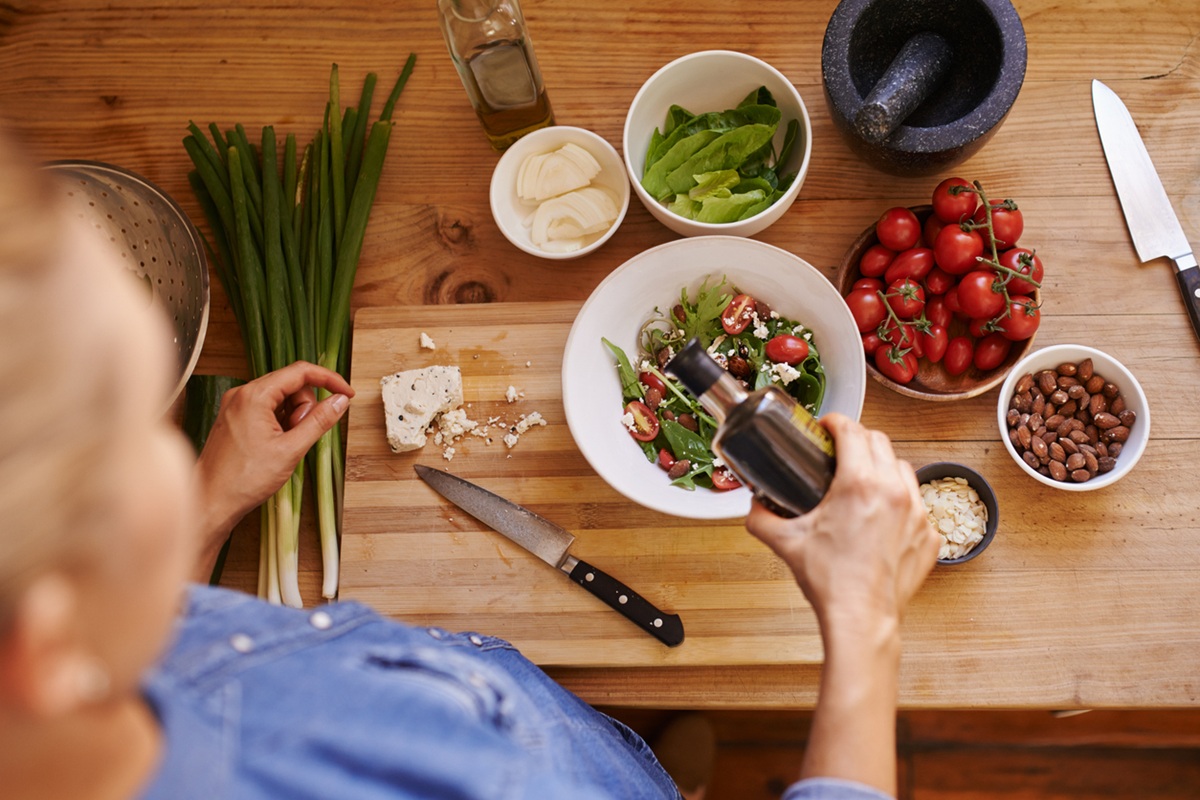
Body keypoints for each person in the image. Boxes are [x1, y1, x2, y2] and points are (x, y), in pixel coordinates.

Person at [0, 127, 939, 800]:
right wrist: (862, 621)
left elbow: (159, 638)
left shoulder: (82, 704)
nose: (182, 447)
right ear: (42, 644)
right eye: (140, 438)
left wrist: (207, 513)